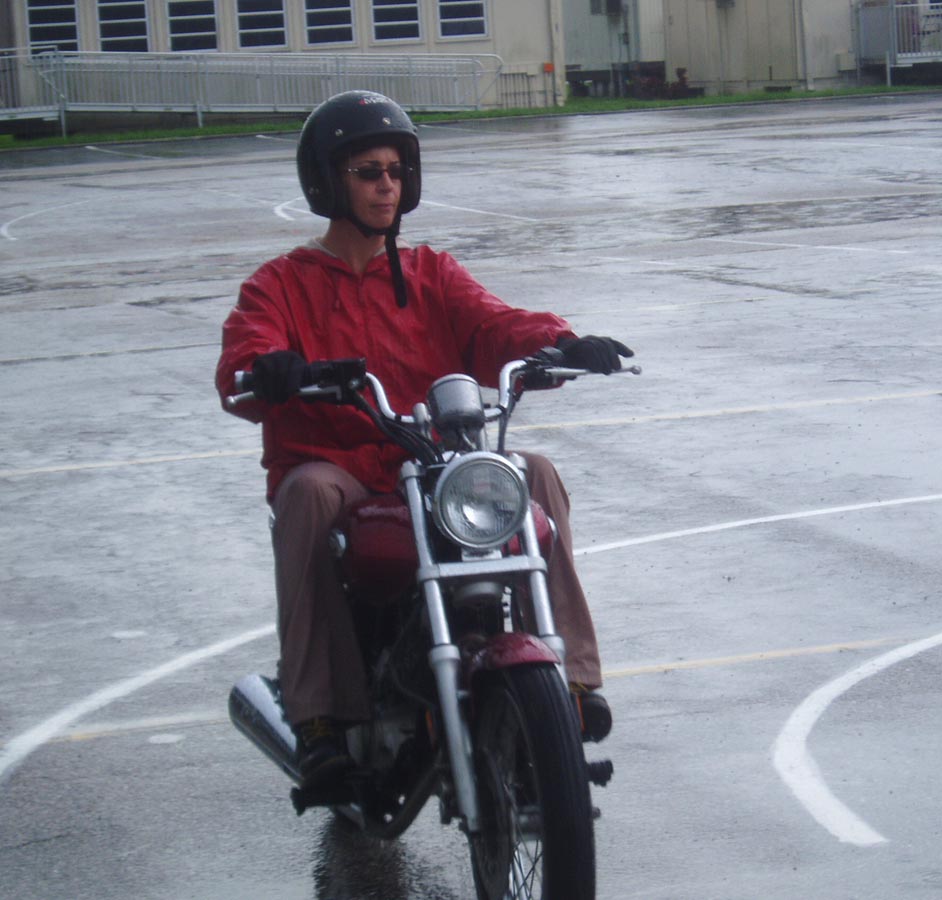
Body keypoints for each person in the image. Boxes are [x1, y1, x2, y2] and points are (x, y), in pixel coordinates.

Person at [215, 90, 632, 788]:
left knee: (533, 470)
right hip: (340, 466)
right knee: (308, 494)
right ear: (328, 182)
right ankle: (321, 716)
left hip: (434, 461)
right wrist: (269, 369)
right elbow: (244, 359)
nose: (386, 186)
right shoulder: (280, 285)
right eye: (367, 173)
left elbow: (494, 323)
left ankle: (573, 678)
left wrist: (560, 342)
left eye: (395, 171)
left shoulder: (431, 273)